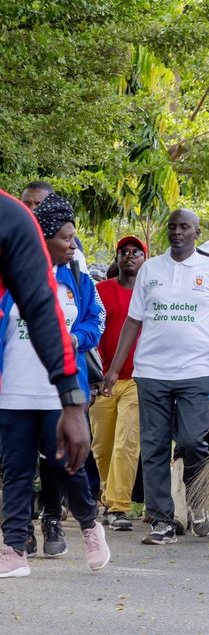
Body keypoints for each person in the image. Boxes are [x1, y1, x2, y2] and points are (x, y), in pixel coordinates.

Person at [101, 209, 209, 545]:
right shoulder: (151, 268)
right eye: (173, 226)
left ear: (196, 231)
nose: (177, 232)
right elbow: (133, 321)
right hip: (152, 372)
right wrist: (115, 369)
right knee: (154, 446)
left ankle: (198, 504)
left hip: (196, 371)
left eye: (184, 227)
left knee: (193, 441)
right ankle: (162, 520)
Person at [0, 194, 110, 578]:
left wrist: (76, 341)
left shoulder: (77, 280)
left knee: (68, 465)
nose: (72, 244)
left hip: (56, 394)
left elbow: (96, 321)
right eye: (65, 237)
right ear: (42, 237)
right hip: (13, 390)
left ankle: (89, 526)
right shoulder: (10, 274)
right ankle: (14, 549)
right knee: (16, 471)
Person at [0, 190, 90, 468]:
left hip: (46, 390)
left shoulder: (11, 217)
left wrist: (71, 400)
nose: (71, 245)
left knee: (56, 468)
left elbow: (42, 312)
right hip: (15, 391)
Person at [92, 235, 148, 532]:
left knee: (127, 442)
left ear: (144, 259)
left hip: (137, 379)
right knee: (102, 447)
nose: (129, 256)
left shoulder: (152, 293)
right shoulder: (101, 291)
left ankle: (118, 507)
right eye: (123, 252)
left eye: (135, 252)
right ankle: (108, 497)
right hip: (103, 380)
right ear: (117, 258)